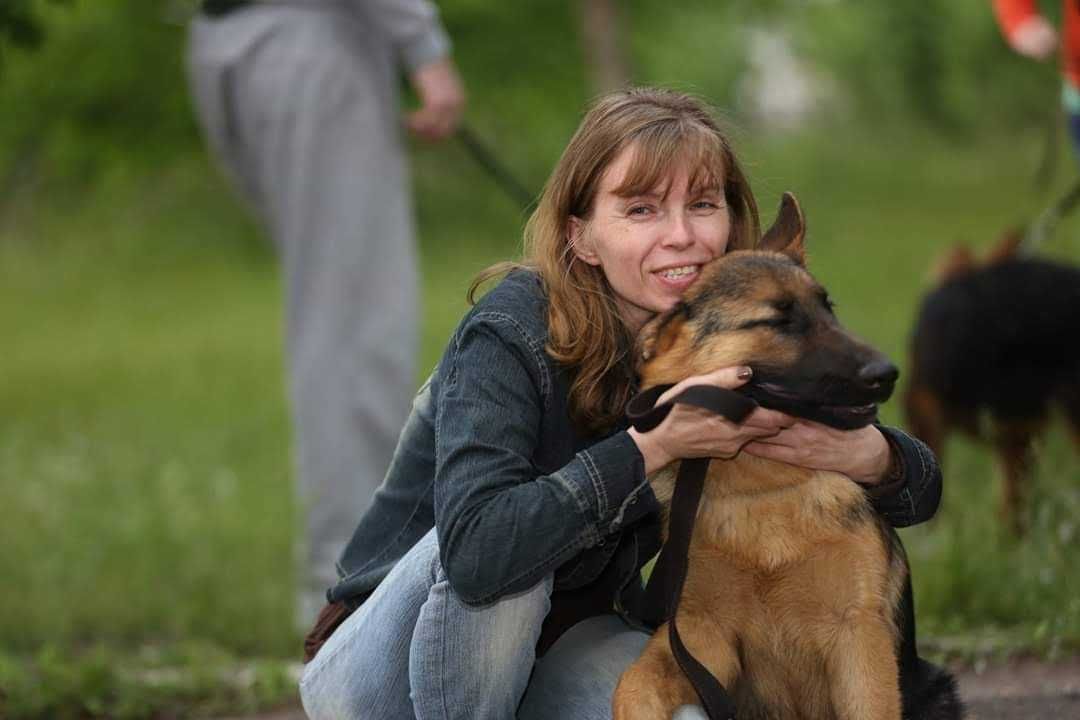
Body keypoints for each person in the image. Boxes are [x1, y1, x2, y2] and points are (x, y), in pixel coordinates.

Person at [299, 87, 943, 720]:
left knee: (678, 711)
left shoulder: (722, 337)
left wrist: (874, 455)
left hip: (559, 645)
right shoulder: (510, 333)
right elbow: (476, 557)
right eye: (642, 210)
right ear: (581, 237)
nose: (682, 235)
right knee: (511, 548)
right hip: (382, 665)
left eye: (702, 203)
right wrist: (655, 444)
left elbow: (918, 493)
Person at [185, 0, 466, 626]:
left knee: (331, 319)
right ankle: (349, 596)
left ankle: (348, 584)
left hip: (227, 42)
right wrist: (423, 46)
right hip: (309, 40)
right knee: (351, 331)